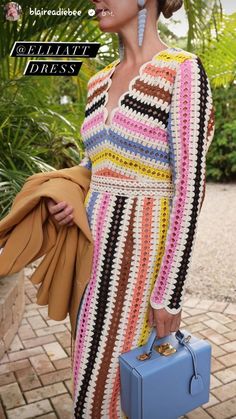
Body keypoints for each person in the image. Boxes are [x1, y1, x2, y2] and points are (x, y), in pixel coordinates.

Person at [46, 0, 215, 417]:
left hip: (143, 269)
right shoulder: (97, 82)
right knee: (88, 381)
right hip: (93, 260)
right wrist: (71, 201)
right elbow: (95, 164)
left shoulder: (182, 70)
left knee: (128, 394)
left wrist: (169, 293)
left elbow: (190, 188)